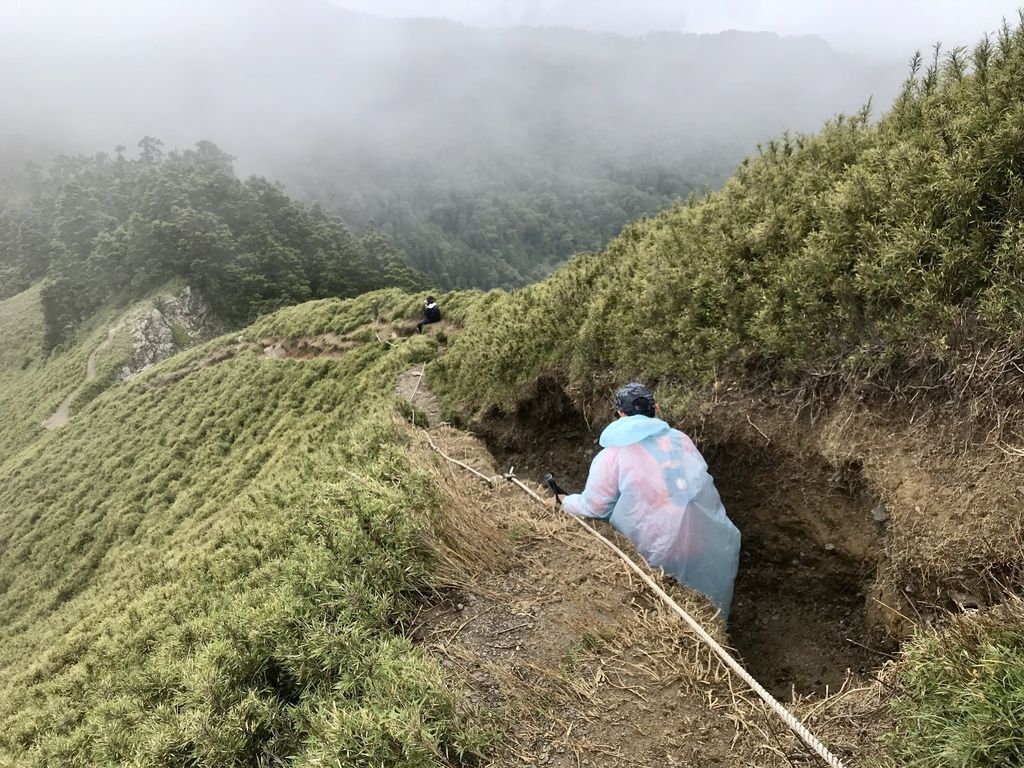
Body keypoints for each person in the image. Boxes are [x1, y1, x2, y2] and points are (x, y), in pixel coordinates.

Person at [554, 383, 741, 620]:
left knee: (663, 609)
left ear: (620, 413)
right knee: (702, 605)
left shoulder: (613, 455)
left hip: (656, 550)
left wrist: (565, 501)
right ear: (657, 409)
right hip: (703, 540)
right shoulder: (680, 440)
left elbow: (594, 507)